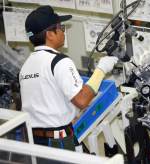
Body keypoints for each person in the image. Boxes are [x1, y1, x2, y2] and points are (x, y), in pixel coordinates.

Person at [19, 5, 118, 151]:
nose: (63, 32)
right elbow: (82, 100)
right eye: (61, 28)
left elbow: (47, 101)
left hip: (32, 141)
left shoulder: (26, 66)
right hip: (56, 142)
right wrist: (101, 70)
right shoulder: (59, 61)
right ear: (50, 34)